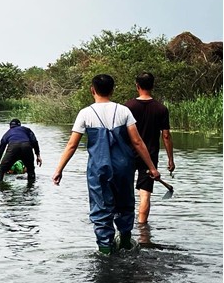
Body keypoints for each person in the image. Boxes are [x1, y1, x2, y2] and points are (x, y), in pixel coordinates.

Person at [51, 74, 160, 255]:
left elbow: (72, 145)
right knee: (125, 204)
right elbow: (137, 142)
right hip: (124, 167)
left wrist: (59, 170)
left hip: (98, 168)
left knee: (101, 208)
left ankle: (105, 249)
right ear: (112, 90)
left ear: (92, 90)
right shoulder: (124, 111)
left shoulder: (85, 113)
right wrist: (152, 167)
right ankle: (125, 242)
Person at [124, 72, 175, 224]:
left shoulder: (128, 107)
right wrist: (170, 160)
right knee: (145, 194)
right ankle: (142, 228)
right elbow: (166, 136)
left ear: (137, 86)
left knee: (125, 191)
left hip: (128, 155)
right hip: (150, 157)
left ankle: (125, 227)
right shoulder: (161, 109)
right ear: (152, 86)